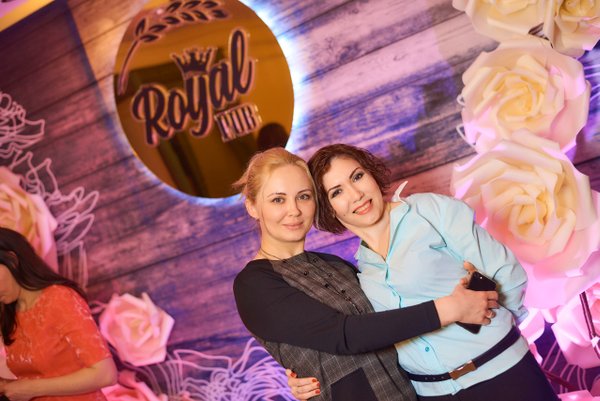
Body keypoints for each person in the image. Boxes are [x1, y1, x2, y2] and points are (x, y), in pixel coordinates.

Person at [287, 144, 558, 401]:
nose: (356, 194)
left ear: (371, 173)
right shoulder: (362, 269)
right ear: (328, 209)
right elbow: (358, 338)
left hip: (501, 372)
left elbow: (506, 271)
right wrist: (311, 376)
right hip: (432, 394)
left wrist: (495, 330)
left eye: (357, 176)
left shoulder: (428, 211)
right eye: (337, 192)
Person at [232, 147, 499, 401]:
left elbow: (392, 318)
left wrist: (461, 283)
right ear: (252, 206)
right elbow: (345, 335)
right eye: (278, 199)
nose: (294, 210)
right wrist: (450, 308)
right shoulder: (253, 285)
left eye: (303, 196)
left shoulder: (335, 265)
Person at [0, 227, 117, 401]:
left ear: (12, 260)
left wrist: (30, 389)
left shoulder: (59, 297)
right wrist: (8, 386)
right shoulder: (9, 311)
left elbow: (106, 374)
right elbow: (36, 377)